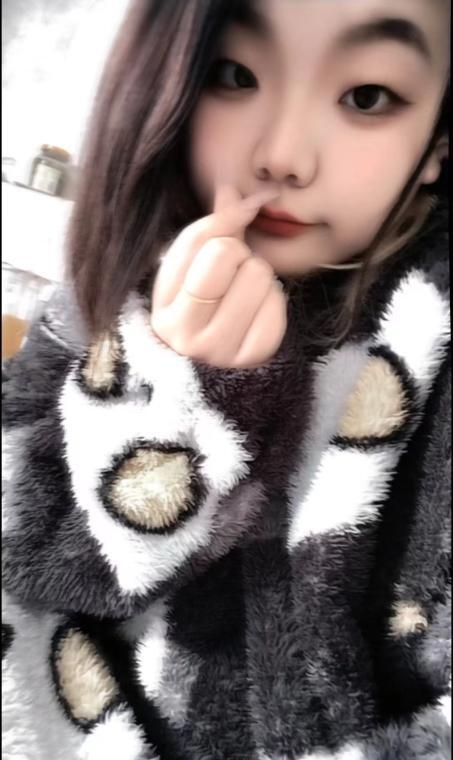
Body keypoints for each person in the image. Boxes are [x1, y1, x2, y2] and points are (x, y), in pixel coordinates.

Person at [2, 1, 450, 758]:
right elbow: (32, 563)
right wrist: (179, 394)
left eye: (367, 96)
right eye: (235, 76)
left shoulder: (427, 328)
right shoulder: (110, 283)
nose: (282, 157)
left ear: (437, 140)